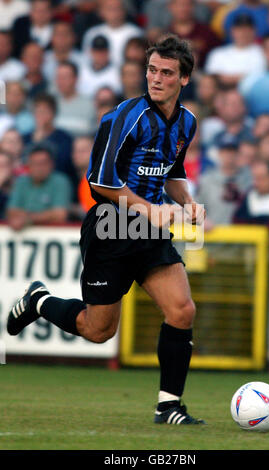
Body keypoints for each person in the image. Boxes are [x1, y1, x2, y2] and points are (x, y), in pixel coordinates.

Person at [7, 35, 206, 426]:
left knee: (182, 311)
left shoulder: (187, 122)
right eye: (152, 70)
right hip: (111, 228)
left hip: (148, 230)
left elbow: (173, 174)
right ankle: (39, 301)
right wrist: (151, 210)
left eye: (167, 72)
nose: (157, 78)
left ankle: (168, 406)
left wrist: (188, 204)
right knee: (98, 331)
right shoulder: (124, 116)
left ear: (184, 79)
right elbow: (100, 183)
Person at [6, 144, 72, 231]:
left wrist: (28, 218)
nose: (39, 168)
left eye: (43, 163)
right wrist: (46, 215)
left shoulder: (60, 181)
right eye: (35, 163)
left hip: (52, 234)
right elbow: (11, 211)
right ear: (28, 165)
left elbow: (60, 215)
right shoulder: (21, 181)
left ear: (52, 164)